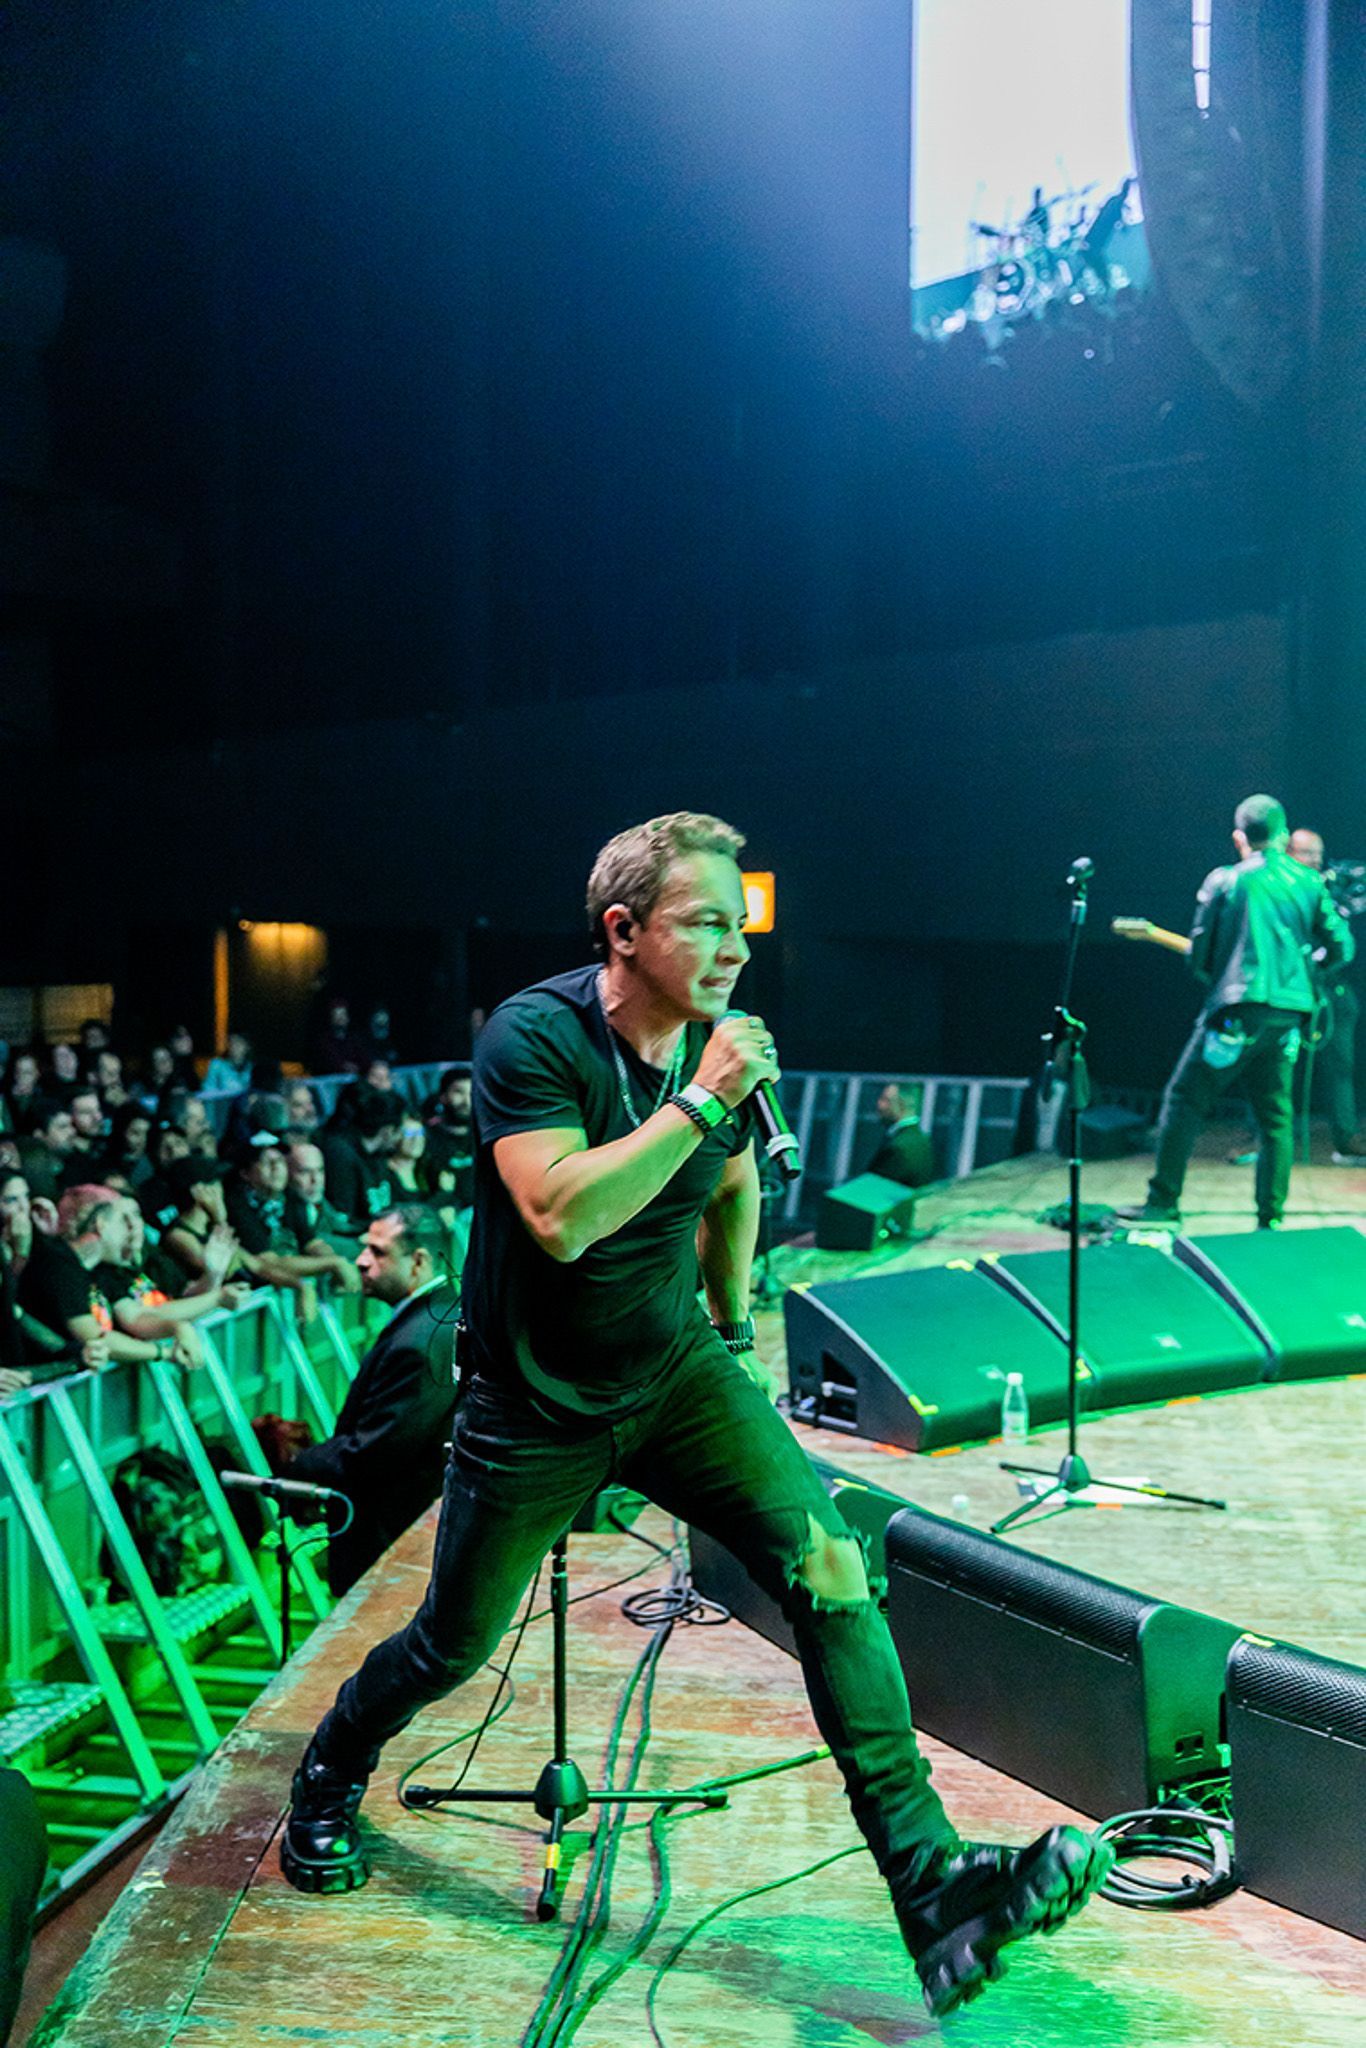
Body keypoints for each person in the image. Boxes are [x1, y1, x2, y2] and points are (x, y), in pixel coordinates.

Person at [279, 812, 1110, 2017]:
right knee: (452, 1643)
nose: (735, 946)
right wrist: (703, 1099)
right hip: (534, 1405)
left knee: (832, 1566)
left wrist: (732, 1324)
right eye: (705, 921)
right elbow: (560, 1213)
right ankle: (330, 1765)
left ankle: (933, 1887)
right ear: (622, 929)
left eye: (740, 924)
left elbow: (728, 1179)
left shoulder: (712, 1047)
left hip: (677, 1373)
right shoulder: (535, 1037)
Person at [1120, 795, 1353, 1229]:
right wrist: (1306, 973)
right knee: (1276, 1120)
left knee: (1184, 1100)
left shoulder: (1226, 880)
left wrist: (1220, 978)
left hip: (1236, 1014)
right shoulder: (1308, 882)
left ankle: (1162, 1204)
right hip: (1288, 1018)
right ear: (1284, 836)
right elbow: (1342, 947)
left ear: (1239, 837)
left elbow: (1201, 956)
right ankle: (1270, 1217)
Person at [275, 1207, 458, 1594]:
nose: (360, 1261)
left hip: (393, 1544)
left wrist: (300, 1463)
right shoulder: (443, 1314)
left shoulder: (419, 1341)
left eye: (377, 1252)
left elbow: (376, 1450)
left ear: (418, 1261)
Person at [1288, 827, 1366, 1164]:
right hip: (1287, 991)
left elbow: (1341, 944)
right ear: (1288, 853)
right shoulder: (1280, 888)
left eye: (1319, 854)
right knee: (1273, 1065)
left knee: (1340, 1066)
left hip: (1331, 989)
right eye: (1307, 853)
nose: (1315, 861)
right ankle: (1266, 1138)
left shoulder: (1332, 889)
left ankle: (1346, 1138)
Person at [867, 1083, 934, 1188]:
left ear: (902, 1103)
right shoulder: (922, 1140)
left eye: (885, 1100)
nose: (879, 1105)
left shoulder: (899, 1147)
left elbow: (876, 1188)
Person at [204, 1031, 254, 1096]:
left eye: (238, 1043)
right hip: (222, 1101)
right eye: (231, 1043)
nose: (234, 1047)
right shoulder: (217, 1065)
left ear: (247, 1046)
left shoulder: (251, 1068)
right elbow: (208, 1090)